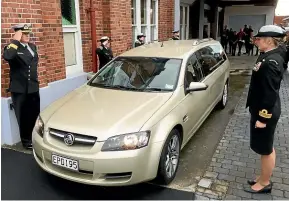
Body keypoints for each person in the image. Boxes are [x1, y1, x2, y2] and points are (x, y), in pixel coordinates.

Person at [245, 25, 287, 194]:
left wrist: (262, 119)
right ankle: (263, 176)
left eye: (259, 38)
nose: (256, 41)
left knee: (266, 149)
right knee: (266, 146)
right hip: (263, 108)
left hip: (265, 112)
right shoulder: (270, 55)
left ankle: (264, 183)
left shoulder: (271, 62)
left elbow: (270, 94)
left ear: (269, 41)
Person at [3, 23, 40, 149]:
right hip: (20, 89)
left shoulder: (33, 47)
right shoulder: (12, 48)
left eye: (28, 33)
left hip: (33, 87)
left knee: (35, 114)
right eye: (24, 33)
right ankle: (26, 141)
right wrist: (15, 40)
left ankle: (34, 137)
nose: (27, 36)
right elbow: (8, 56)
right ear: (18, 34)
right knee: (23, 117)